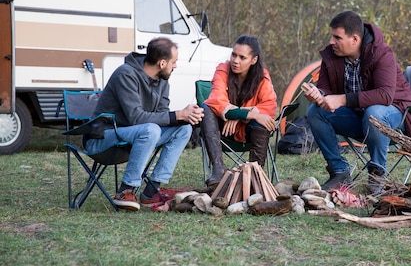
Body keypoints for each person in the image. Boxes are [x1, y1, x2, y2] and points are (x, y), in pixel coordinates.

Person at [303, 10, 411, 193]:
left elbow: (385, 96)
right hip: (360, 117)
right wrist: (318, 94)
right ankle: (340, 173)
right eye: (332, 36)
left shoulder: (381, 54)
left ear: (355, 39)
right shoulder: (331, 55)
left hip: (396, 114)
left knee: (374, 112)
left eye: (337, 37)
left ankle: (377, 175)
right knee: (315, 112)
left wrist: (341, 99)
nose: (331, 42)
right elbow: (326, 88)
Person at [86, 37, 204, 211]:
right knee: (151, 130)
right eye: (174, 61)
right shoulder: (125, 74)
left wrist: (186, 117)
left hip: (134, 138)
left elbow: (162, 115)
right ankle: (126, 190)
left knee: (183, 129)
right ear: (162, 63)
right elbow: (136, 117)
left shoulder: (162, 80)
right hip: (103, 138)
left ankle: (152, 190)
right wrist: (178, 114)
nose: (176, 66)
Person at [200, 35, 277, 187]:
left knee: (262, 123)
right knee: (206, 109)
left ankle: (255, 175)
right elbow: (216, 101)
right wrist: (250, 113)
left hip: (249, 130)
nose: (236, 60)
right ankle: (219, 169)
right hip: (223, 129)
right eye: (234, 55)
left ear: (253, 60)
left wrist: (240, 115)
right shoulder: (223, 70)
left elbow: (269, 106)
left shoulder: (262, 77)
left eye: (242, 57)